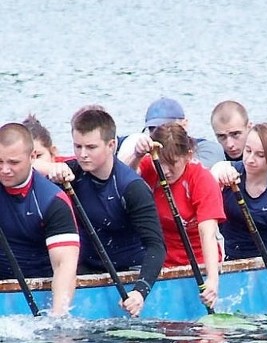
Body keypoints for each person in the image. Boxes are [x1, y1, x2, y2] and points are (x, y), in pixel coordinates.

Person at [47, 108, 166, 317]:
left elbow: (156, 246)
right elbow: (27, 168)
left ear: (111, 145)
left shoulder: (132, 188)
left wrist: (140, 292)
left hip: (128, 271)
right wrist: (49, 171)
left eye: (91, 147)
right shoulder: (71, 173)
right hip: (86, 267)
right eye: (77, 146)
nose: (82, 154)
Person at [130, 123, 225, 309]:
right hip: (160, 260)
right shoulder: (152, 165)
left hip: (199, 260)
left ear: (188, 155)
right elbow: (121, 178)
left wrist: (212, 280)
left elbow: (208, 233)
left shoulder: (201, 180)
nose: (164, 170)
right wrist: (137, 155)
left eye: (172, 163)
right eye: (161, 163)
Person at [212, 123, 267, 310]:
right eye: (248, 151)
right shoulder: (232, 173)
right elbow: (213, 173)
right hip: (231, 261)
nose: (250, 160)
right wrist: (218, 172)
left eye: (260, 155)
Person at [0, 123, 79, 316]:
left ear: (32, 157)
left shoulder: (52, 201)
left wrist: (58, 318)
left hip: (37, 282)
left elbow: (64, 266)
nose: (4, 170)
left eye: (13, 162)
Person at [119, 97, 225, 168]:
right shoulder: (146, 152)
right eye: (152, 129)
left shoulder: (208, 149)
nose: (159, 133)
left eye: (166, 127)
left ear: (184, 124)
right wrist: (137, 156)